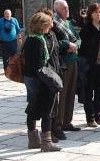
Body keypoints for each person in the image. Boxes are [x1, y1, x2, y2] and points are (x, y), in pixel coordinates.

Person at [23, 12, 61, 152]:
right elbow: (40, 66)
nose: (51, 25)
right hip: (40, 80)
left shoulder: (30, 38)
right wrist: (52, 81)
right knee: (47, 111)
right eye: (49, 23)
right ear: (43, 25)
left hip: (30, 78)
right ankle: (46, 143)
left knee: (32, 108)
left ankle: (33, 141)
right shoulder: (39, 41)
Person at [37, 8, 66, 142]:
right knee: (46, 106)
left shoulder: (52, 34)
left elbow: (59, 46)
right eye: (49, 19)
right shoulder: (38, 37)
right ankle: (47, 135)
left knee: (55, 104)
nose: (52, 21)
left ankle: (55, 129)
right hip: (45, 75)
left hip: (55, 71)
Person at [52, 0, 81, 132]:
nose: (67, 10)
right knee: (62, 94)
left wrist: (75, 45)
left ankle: (67, 122)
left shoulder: (68, 23)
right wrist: (67, 45)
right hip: (63, 62)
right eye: (64, 8)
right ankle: (58, 124)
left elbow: (78, 37)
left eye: (68, 7)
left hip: (73, 60)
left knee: (71, 92)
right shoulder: (54, 23)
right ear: (57, 10)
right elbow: (55, 41)